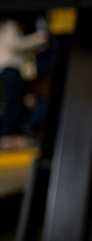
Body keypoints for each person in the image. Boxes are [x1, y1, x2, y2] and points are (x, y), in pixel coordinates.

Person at [0, 18, 48, 150]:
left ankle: (10, 135)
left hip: (5, 69)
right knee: (13, 103)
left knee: (12, 103)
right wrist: (37, 39)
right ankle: (9, 136)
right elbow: (15, 44)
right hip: (11, 68)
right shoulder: (10, 24)